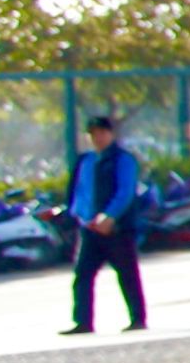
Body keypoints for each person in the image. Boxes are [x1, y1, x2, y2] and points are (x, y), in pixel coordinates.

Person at [60, 113, 148, 334]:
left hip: (117, 229)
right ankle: (83, 321)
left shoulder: (123, 159)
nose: (97, 138)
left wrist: (109, 216)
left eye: (101, 133)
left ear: (111, 134)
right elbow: (79, 192)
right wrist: (79, 216)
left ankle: (137, 318)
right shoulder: (85, 161)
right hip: (90, 229)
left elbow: (125, 192)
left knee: (127, 273)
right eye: (93, 134)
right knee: (83, 274)